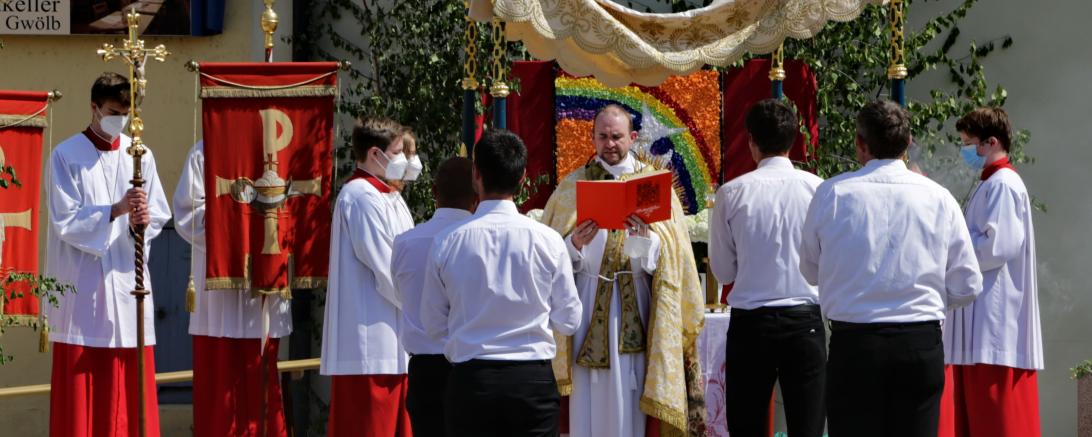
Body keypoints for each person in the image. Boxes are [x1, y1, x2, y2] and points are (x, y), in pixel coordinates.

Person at [799, 100, 983, 437]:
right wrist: (927, 300)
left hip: (854, 344)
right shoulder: (939, 198)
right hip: (918, 341)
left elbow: (810, 270)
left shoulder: (832, 194)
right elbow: (968, 284)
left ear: (860, 144)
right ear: (908, 141)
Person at [540, 104, 706, 437]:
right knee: (586, 395)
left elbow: (675, 258)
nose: (610, 144)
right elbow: (549, 254)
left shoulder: (653, 185)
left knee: (631, 391)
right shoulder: (572, 187)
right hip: (586, 303)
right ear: (593, 138)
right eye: (602, 136)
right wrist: (574, 244)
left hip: (637, 302)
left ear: (632, 137)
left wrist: (647, 241)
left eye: (616, 136)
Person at [420, 129, 582, 437]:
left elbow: (433, 325)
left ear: (476, 175)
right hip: (530, 380)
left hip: (472, 380)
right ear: (523, 177)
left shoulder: (446, 242)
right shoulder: (547, 240)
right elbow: (570, 319)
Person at [45, 72, 171, 437]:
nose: (120, 120)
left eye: (126, 112)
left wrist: (142, 221)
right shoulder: (66, 156)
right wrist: (114, 211)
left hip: (127, 286)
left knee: (130, 393)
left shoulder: (141, 155)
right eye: (113, 112)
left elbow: (159, 214)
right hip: (85, 290)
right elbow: (64, 221)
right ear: (94, 108)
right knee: (84, 399)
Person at [709, 99, 826, 437]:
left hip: (752, 323)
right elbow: (825, 262)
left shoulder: (732, 193)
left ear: (751, 142)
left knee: (747, 426)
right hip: (804, 319)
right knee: (808, 426)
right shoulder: (817, 189)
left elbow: (724, 271)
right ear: (793, 141)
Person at [173, 140, 292, 436]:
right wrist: (236, 219)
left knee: (262, 394)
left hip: (262, 291)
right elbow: (186, 215)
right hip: (219, 297)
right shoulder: (205, 149)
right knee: (219, 399)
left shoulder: (280, 152)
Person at [939, 107, 1042, 437]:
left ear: (992, 141)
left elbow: (999, 247)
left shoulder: (1003, 184)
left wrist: (953, 246)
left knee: (996, 418)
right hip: (981, 315)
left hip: (994, 319)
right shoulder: (990, 182)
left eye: (969, 143)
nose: (965, 150)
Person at [320, 116, 415, 437]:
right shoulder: (360, 197)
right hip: (370, 344)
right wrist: (425, 305)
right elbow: (387, 268)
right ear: (376, 154)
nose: (404, 158)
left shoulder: (388, 195)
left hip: (394, 340)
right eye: (399, 151)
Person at [391, 157, 478, 437]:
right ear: (477, 196)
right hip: (471, 364)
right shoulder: (481, 241)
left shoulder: (405, 242)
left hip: (425, 367)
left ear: (433, 191)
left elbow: (399, 294)